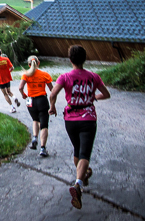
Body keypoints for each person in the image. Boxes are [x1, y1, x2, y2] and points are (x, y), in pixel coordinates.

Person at [49, 45, 110, 210]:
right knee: (84, 153)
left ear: (70, 60)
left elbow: (53, 94)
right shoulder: (93, 77)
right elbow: (106, 94)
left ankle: (83, 175)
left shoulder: (65, 77)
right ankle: (77, 184)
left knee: (77, 150)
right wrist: (93, 97)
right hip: (88, 118)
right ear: (84, 59)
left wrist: (52, 107)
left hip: (70, 119)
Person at [18, 56, 53, 157]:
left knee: (35, 120)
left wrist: (23, 94)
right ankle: (42, 148)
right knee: (44, 125)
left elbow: (20, 87)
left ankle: (35, 137)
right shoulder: (44, 74)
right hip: (42, 99)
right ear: (39, 63)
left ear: (29, 64)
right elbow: (52, 89)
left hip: (31, 100)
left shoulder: (26, 74)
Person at [0, 49, 20, 113]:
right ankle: (14, 98)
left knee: (5, 94)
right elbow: (12, 68)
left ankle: (12, 107)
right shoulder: (6, 59)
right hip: (7, 78)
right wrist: (8, 72)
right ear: (1, 53)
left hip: (0, 79)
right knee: (9, 91)